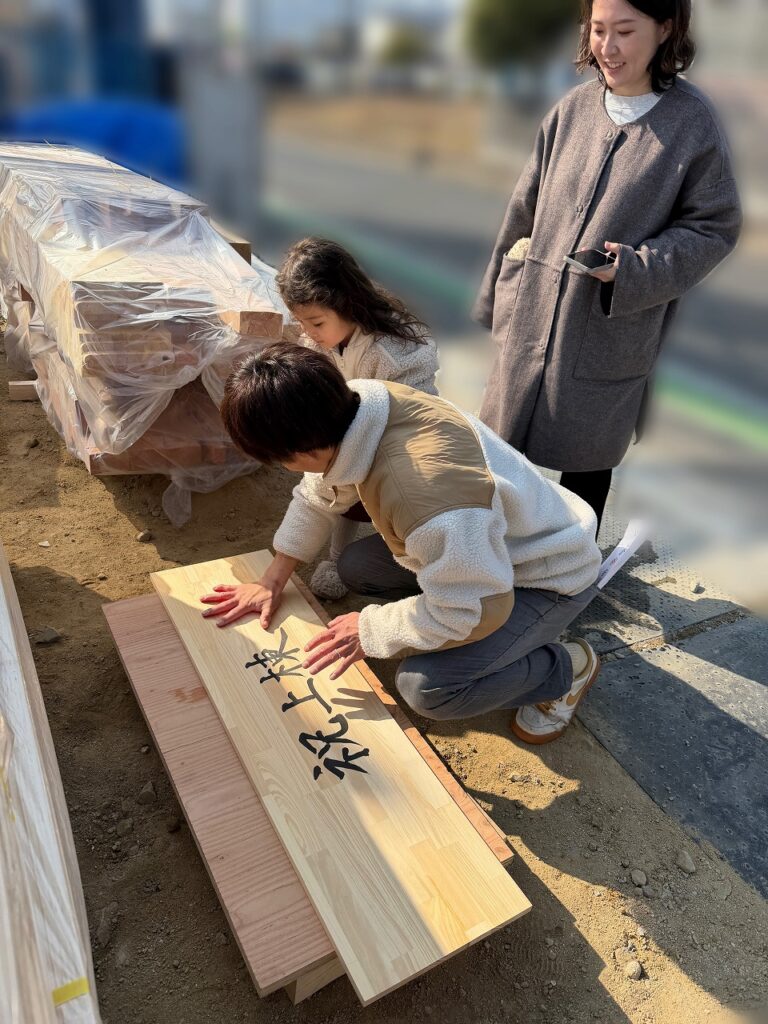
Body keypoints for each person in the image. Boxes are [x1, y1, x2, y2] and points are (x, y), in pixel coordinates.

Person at [202, 342, 604, 745]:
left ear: (304, 450)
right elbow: (317, 493)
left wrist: (370, 628)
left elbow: (476, 607)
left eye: (281, 460)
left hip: (545, 575)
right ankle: (460, 610)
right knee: (357, 567)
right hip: (489, 546)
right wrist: (272, 580)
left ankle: (566, 669)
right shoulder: (357, 405)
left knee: (428, 688)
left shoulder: (423, 499)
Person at [473, 0, 741, 531]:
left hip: (608, 326)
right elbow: (524, 209)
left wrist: (637, 267)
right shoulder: (571, 110)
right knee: (499, 461)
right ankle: (491, 556)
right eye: (598, 30)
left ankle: (573, 566)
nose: (608, 47)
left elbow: (714, 225)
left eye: (624, 31)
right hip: (530, 315)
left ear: (665, 29)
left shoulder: (692, 123)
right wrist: (496, 297)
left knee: (586, 463)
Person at [276, 236, 439, 599]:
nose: (308, 333)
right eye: (301, 323)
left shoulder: (395, 355)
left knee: (351, 482)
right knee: (336, 478)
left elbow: (382, 436)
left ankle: (398, 561)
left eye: (316, 322)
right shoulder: (321, 343)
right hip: (357, 436)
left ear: (345, 303)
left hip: (401, 450)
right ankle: (338, 558)